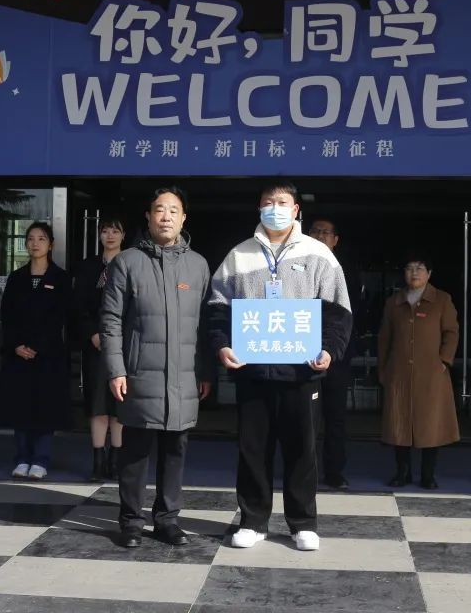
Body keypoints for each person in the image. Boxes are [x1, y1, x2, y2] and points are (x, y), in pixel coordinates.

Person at [209, 181, 352, 552]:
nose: (275, 208)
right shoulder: (239, 255)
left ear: (296, 209)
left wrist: (329, 350)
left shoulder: (319, 254)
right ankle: (252, 521)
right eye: (268, 202)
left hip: (301, 372)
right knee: (252, 449)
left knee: (303, 449)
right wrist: (222, 344)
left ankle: (303, 523)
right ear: (259, 208)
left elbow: (338, 311)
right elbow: (217, 307)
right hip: (253, 371)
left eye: (283, 202)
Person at [100, 187, 212, 549]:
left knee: (175, 451)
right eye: (159, 210)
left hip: (184, 376)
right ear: (148, 217)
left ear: (183, 218)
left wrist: (206, 372)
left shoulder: (198, 265)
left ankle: (167, 520)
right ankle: (131, 521)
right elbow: (111, 321)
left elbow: (205, 323)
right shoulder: (127, 262)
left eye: (173, 211)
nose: (166, 217)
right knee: (135, 452)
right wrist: (116, 369)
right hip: (139, 375)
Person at [0, 221, 73, 481]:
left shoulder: (61, 278)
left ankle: (40, 459)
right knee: (20, 407)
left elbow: (62, 317)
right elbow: (7, 316)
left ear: (51, 245)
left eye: (41, 239)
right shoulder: (17, 278)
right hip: (19, 354)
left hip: (48, 355)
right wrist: (16, 345)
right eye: (30, 238)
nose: (35, 243)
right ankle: (21, 458)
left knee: (45, 407)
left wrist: (39, 346)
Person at [378, 254, 459, 489]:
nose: (415, 272)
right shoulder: (394, 302)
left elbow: (451, 332)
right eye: (410, 268)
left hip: (432, 374)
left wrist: (443, 361)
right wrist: (383, 369)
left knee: (430, 424)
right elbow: (384, 338)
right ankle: (402, 473)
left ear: (429, 274)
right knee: (399, 424)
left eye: (420, 268)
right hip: (399, 373)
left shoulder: (442, 299)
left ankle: (427, 475)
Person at [74, 218, 126, 482]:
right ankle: (98, 461)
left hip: (123, 345)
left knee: (119, 405)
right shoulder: (88, 267)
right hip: (95, 345)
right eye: (105, 231)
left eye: (115, 231)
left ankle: (116, 461)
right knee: (98, 405)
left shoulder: (131, 263)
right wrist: (92, 333)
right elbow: (78, 305)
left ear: (124, 235)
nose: (110, 235)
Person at [307, 217, 358, 490]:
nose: (320, 236)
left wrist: (336, 346)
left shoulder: (345, 269)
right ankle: (305, 470)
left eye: (326, 232)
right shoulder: (298, 264)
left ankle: (335, 471)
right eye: (315, 231)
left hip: (337, 355)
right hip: (302, 353)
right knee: (305, 417)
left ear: (336, 240)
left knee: (335, 417)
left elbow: (351, 314)